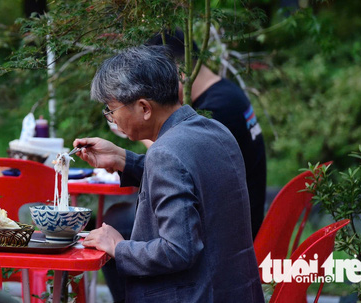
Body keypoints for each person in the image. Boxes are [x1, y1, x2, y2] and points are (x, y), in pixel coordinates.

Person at [76, 46, 264, 303]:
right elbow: (190, 178)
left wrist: (119, 247)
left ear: (144, 107)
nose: (111, 119)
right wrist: (122, 159)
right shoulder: (216, 131)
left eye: (111, 109)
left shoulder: (165, 154)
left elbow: (178, 249)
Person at [147, 29, 267, 236]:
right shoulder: (226, 93)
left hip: (229, 237)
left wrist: (142, 128)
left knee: (122, 226)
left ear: (178, 71)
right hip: (236, 222)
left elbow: (172, 168)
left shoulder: (216, 111)